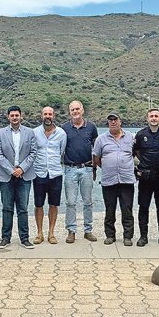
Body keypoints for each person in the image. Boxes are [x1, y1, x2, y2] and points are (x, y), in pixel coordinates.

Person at [0, 106, 38, 249]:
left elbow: (33, 153)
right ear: (8, 117)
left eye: (17, 115)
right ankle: (5, 238)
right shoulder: (0, 133)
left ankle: (24, 238)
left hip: (24, 175)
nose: (14, 117)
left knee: (23, 208)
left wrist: (21, 169)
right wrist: (11, 170)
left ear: (21, 116)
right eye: (12, 115)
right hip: (6, 175)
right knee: (7, 207)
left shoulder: (30, 132)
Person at [93, 112, 136, 246]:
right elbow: (96, 158)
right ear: (108, 123)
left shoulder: (131, 137)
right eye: (110, 120)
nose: (113, 122)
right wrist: (107, 166)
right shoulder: (101, 139)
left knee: (127, 209)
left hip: (127, 180)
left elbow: (136, 153)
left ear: (120, 122)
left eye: (115, 120)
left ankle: (128, 236)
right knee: (109, 209)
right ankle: (110, 235)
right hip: (109, 180)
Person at [133, 108, 159, 247]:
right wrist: (144, 163)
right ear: (147, 118)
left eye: (156, 116)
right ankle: (143, 237)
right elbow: (136, 151)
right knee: (143, 207)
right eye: (151, 116)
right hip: (145, 176)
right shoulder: (140, 134)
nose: (154, 118)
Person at [61, 100, 98, 243]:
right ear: (69, 112)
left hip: (87, 169)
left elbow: (96, 148)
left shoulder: (92, 127)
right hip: (70, 169)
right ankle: (71, 230)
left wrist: (95, 167)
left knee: (88, 201)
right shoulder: (64, 128)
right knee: (70, 202)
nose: (75, 112)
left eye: (77, 109)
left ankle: (88, 230)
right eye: (72, 110)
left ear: (82, 110)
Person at [32, 106, 66, 245]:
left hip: (55, 173)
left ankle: (51, 233)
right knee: (38, 204)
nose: (47, 116)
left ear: (54, 116)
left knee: (53, 204)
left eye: (50, 114)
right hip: (39, 173)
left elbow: (62, 152)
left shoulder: (61, 134)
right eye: (45, 114)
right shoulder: (34, 133)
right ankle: (39, 233)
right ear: (41, 116)